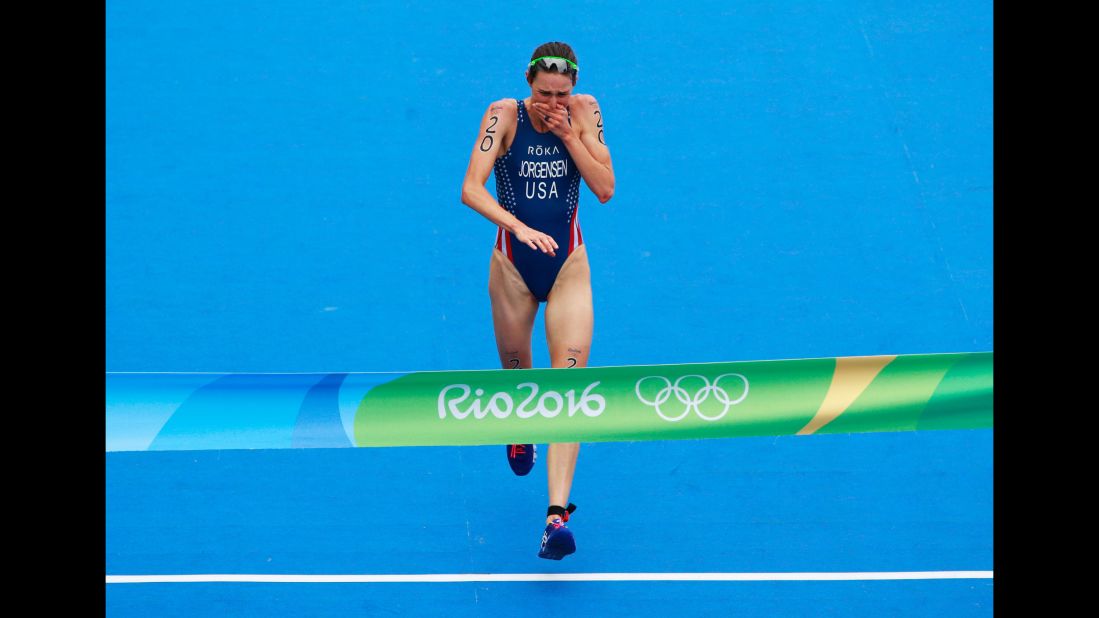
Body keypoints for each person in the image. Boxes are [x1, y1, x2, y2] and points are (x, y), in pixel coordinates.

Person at [460, 41, 615, 559]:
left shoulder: (584, 112)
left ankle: (555, 518)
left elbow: (605, 187)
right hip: (512, 267)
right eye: (544, 93)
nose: (552, 101)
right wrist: (519, 228)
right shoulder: (503, 115)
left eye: (561, 93)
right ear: (529, 83)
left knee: (568, 387)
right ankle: (518, 427)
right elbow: (471, 189)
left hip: (568, 264)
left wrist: (570, 135)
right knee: (518, 377)